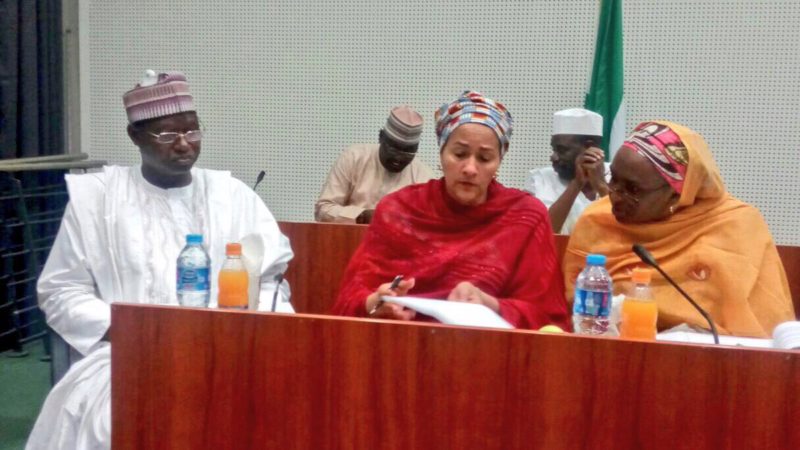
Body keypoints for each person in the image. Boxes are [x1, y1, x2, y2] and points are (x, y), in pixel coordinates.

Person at [27, 70, 294, 450]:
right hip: (129, 354)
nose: (185, 145)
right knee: (112, 425)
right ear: (135, 136)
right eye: (168, 135)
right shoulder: (99, 199)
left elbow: (270, 282)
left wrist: (261, 332)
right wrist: (135, 329)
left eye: (193, 131)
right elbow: (62, 290)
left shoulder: (233, 196)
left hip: (230, 353)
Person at [332, 91, 570, 330]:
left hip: (492, 353)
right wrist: (376, 303)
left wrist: (490, 304)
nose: (469, 168)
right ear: (441, 152)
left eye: (484, 158)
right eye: (459, 154)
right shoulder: (399, 210)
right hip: (401, 349)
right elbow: (347, 302)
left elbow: (550, 320)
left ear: (499, 161)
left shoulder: (524, 216)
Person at [564, 121, 794, 337]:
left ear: (678, 193)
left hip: (713, 363)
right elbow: (572, 307)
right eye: (612, 178)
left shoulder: (735, 225)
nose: (613, 194)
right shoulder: (597, 220)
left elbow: (759, 323)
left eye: (632, 189)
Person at [314, 106, 435, 224]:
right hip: (350, 241)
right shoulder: (354, 158)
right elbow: (323, 210)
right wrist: (362, 216)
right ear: (381, 137)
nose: (399, 157)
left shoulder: (424, 178)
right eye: (394, 148)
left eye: (408, 151)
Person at [525, 108, 609, 234]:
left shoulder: (618, 176)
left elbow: (626, 229)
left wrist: (601, 185)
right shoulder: (540, 179)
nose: (554, 157)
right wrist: (576, 184)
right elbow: (543, 233)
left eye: (562, 150)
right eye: (554, 149)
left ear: (590, 147)